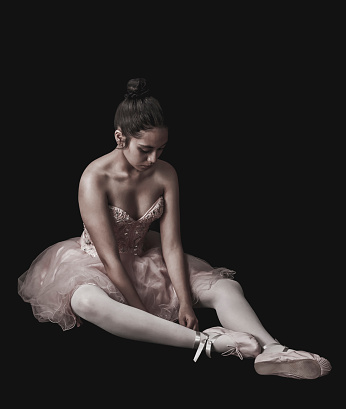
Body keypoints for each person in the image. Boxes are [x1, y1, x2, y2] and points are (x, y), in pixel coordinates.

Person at [18, 78, 331, 379]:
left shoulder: (165, 174)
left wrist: (183, 301)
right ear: (120, 138)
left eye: (161, 149)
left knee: (225, 287)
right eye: (145, 149)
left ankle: (274, 350)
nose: (154, 158)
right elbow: (111, 259)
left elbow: (171, 245)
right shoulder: (94, 178)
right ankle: (208, 343)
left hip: (145, 256)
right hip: (97, 263)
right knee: (85, 300)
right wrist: (141, 310)